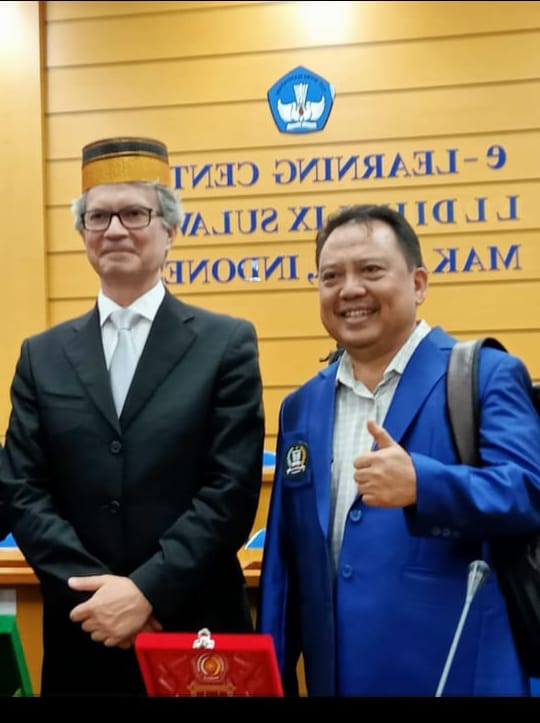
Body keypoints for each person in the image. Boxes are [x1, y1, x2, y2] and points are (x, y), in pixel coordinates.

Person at [0, 136, 265, 696]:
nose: (115, 230)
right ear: (83, 235)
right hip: (83, 633)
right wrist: (98, 597)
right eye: (98, 216)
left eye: (135, 214)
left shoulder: (225, 345)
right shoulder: (41, 356)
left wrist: (147, 591)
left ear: (170, 230)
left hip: (192, 627)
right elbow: (23, 490)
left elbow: (231, 490)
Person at [257, 203, 540, 697]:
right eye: (331, 276)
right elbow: (285, 566)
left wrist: (423, 486)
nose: (349, 290)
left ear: (419, 283)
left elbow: (529, 492)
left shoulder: (486, 374)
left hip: (457, 674)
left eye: (371, 270)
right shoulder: (301, 406)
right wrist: (271, 679)